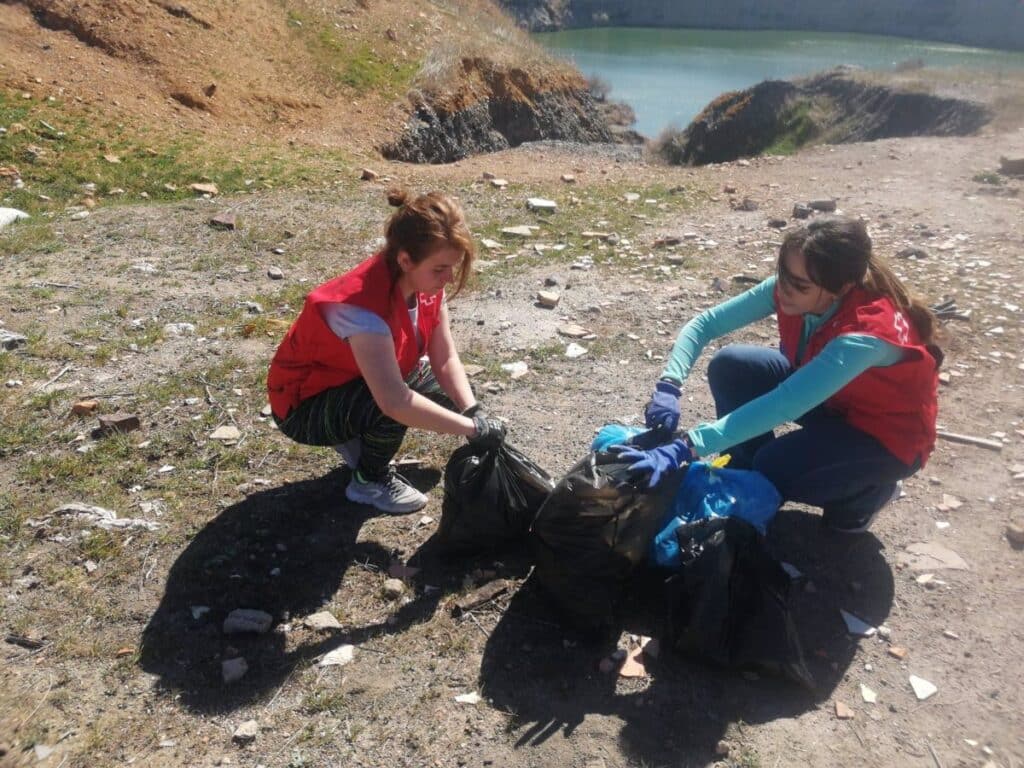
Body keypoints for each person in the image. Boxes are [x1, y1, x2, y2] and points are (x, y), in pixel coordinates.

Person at [616, 216, 941, 533]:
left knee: (774, 465)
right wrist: (669, 385)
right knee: (732, 365)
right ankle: (743, 474)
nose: (783, 289)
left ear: (839, 288)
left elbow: (785, 405)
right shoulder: (799, 288)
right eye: (782, 274)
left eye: (798, 285)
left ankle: (866, 496)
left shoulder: (864, 333)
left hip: (885, 437)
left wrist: (687, 446)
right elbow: (706, 324)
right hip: (837, 401)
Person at [267, 188, 506, 514]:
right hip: (303, 407)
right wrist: (472, 430)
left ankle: (357, 433)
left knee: (456, 398)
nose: (448, 278)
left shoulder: (424, 284)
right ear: (405, 260)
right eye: (440, 269)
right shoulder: (363, 311)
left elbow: (445, 358)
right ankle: (368, 481)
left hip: (350, 379)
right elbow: (395, 401)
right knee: (389, 408)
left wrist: (472, 412)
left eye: (453, 267)